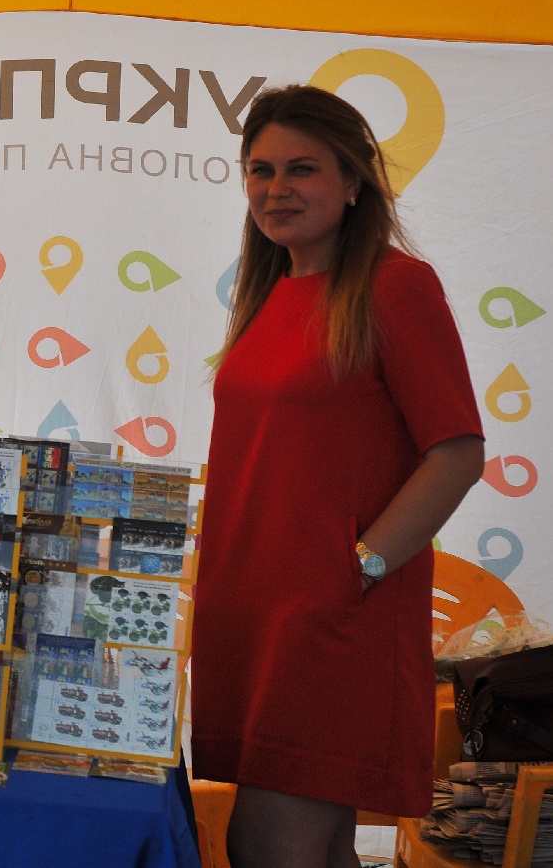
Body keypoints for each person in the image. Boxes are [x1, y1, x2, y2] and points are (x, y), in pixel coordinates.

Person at [191, 84, 484, 868]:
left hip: (327, 620)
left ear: (352, 180)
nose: (275, 189)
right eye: (260, 170)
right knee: (314, 849)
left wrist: (357, 568)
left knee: (267, 844)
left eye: (301, 169)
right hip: (251, 612)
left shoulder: (395, 285)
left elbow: (456, 451)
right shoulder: (268, 291)